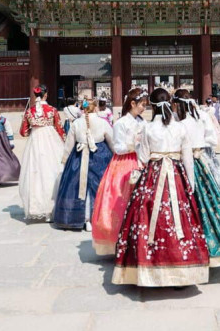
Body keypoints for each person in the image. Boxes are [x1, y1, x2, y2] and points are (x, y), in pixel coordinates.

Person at [112, 88, 210, 287]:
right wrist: (189, 185)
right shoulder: (180, 128)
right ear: (171, 104)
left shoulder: (148, 128)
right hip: (176, 175)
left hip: (153, 175)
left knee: (148, 219)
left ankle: (149, 268)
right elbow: (187, 159)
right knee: (178, 220)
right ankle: (181, 269)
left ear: (153, 107)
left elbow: (142, 158)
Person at [174, 89, 220, 266]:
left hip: (185, 162)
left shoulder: (178, 123)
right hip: (203, 161)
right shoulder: (201, 117)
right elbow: (212, 140)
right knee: (211, 202)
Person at [91, 88, 148, 254]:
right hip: (124, 163)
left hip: (140, 160)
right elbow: (117, 147)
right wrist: (133, 144)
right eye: (142, 104)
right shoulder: (120, 123)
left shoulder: (143, 122)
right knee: (120, 199)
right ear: (132, 103)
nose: (144, 108)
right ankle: (120, 239)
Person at [54, 99, 114, 231]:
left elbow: (69, 143)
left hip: (78, 157)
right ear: (96, 108)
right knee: (98, 187)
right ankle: (95, 218)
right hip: (99, 157)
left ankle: (80, 218)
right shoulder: (102, 122)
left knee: (78, 187)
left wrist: (65, 160)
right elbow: (111, 140)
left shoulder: (76, 123)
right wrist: (115, 154)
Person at [19, 86, 65, 222]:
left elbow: (23, 132)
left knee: (35, 172)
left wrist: (34, 130)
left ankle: (36, 207)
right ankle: (52, 207)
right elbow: (60, 129)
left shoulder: (29, 112)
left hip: (35, 142)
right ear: (46, 95)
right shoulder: (52, 110)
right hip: (51, 140)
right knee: (52, 170)